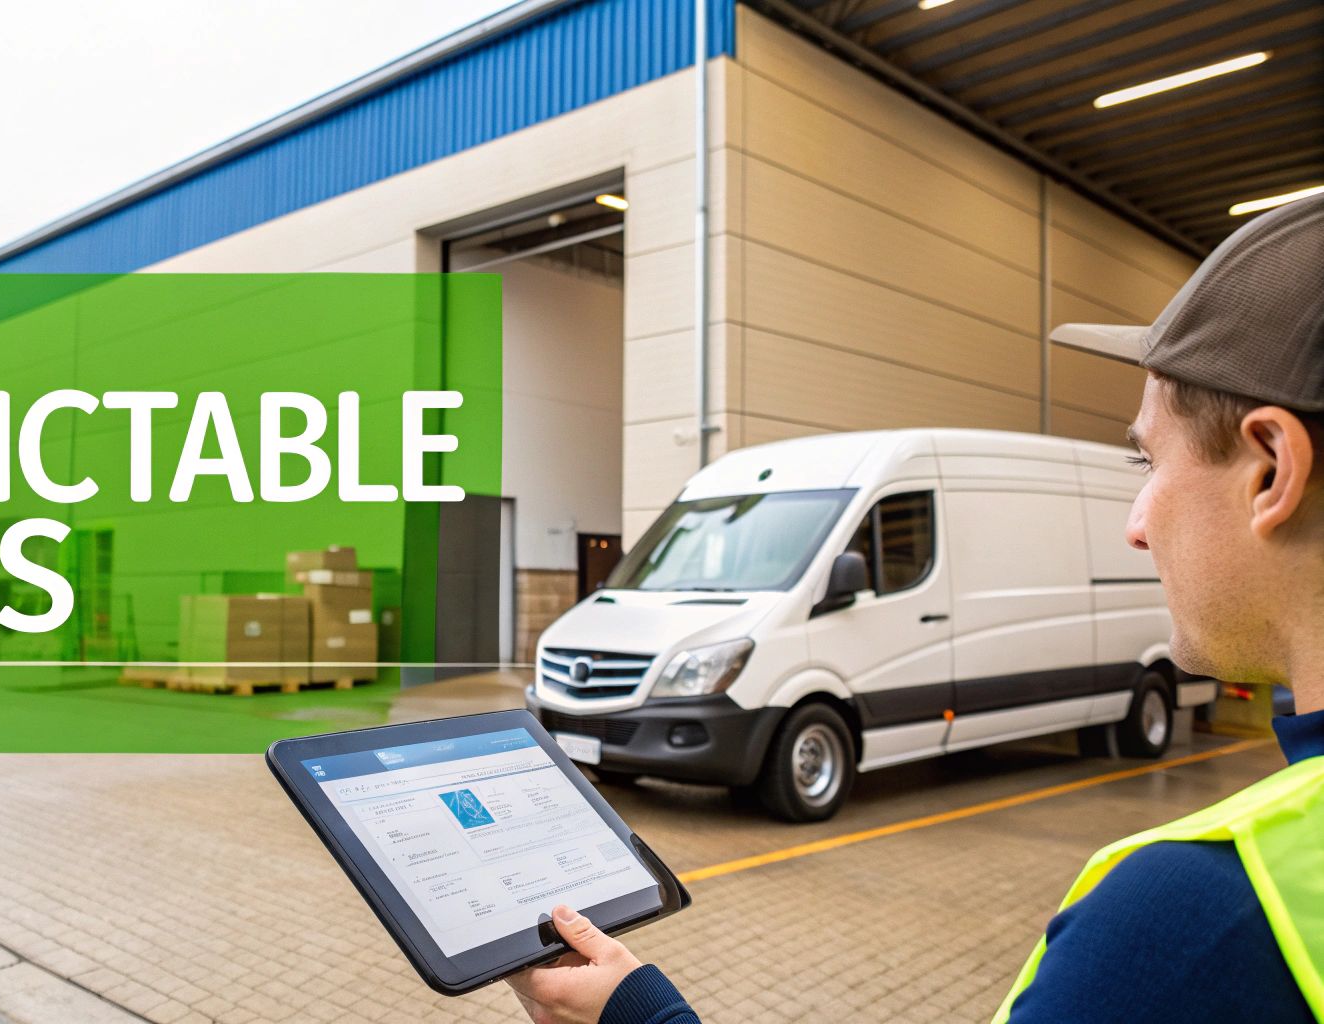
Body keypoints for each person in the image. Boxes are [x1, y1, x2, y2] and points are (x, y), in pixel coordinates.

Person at [508, 193, 1324, 1024]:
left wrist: (635, 1013)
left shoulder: (1189, 925)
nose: (1136, 522)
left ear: (1269, 469)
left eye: (1149, 460)